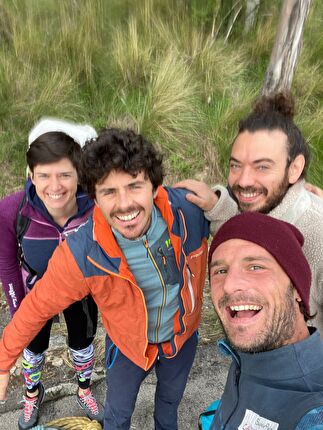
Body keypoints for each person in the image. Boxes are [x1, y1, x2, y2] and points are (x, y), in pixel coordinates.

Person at [0, 128, 209, 430]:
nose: (124, 204)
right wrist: (4, 360)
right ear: (94, 197)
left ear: (154, 185)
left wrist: (221, 200)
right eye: (109, 192)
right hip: (128, 347)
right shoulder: (83, 252)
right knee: (117, 414)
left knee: (169, 403)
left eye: (134, 186)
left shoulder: (189, 211)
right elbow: (37, 307)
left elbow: (247, 219)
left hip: (182, 338)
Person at [176, 92, 323, 334]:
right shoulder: (268, 207)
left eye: (262, 166)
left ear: (294, 168)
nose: (243, 181)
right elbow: (255, 232)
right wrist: (217, 206)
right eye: (236, 165)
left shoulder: (317, 230)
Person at [0, 118, 104, 429]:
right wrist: (21, 315)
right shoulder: (12, 211)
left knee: (83, 345)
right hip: (34, 291)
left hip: (81, 291)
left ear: (80, 173)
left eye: (64, 175)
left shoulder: (97, 205)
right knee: (32, 353)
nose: (55, 186)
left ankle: (83, 389)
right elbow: (6, 265)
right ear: (30, 174)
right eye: (44, 175)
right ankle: (32, 394)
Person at [207, 212, 323, 429]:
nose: (229, 285)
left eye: (256, 267)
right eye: (221, 271)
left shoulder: (315, 414)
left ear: (298, 288)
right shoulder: (249, 354)